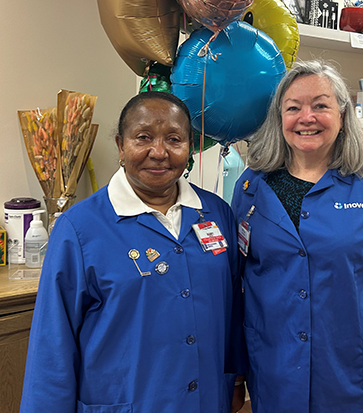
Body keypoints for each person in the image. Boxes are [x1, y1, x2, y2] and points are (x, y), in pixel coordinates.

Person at [20, 91, 246, 412]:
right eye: (143, 138)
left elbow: (234, 308)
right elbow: (52, 344)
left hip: (206, 400)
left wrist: (236, 380)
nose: (159, 152)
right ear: (121, 146)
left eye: (174, 139)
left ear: (190, 146)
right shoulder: (80, 228)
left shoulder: (216, 214)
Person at [231, 60, 363, 413]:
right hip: (275, 358)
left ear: (343, 115)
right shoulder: (252, 186)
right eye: (293, 108)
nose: (306, 117)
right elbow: (239, 272)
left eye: (320, 105)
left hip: (351, 362)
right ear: (279, 118)